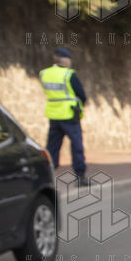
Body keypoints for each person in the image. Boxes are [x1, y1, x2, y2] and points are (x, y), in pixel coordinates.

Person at [39, 46, 87, 186]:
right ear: (65, 60)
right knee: (76, 146)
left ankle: (47, 177)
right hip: (69, 115)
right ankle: (80, 176)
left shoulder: (44, 73)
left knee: (52, 147)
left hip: (54, 115)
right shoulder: (68, 74)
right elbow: (81, 95)